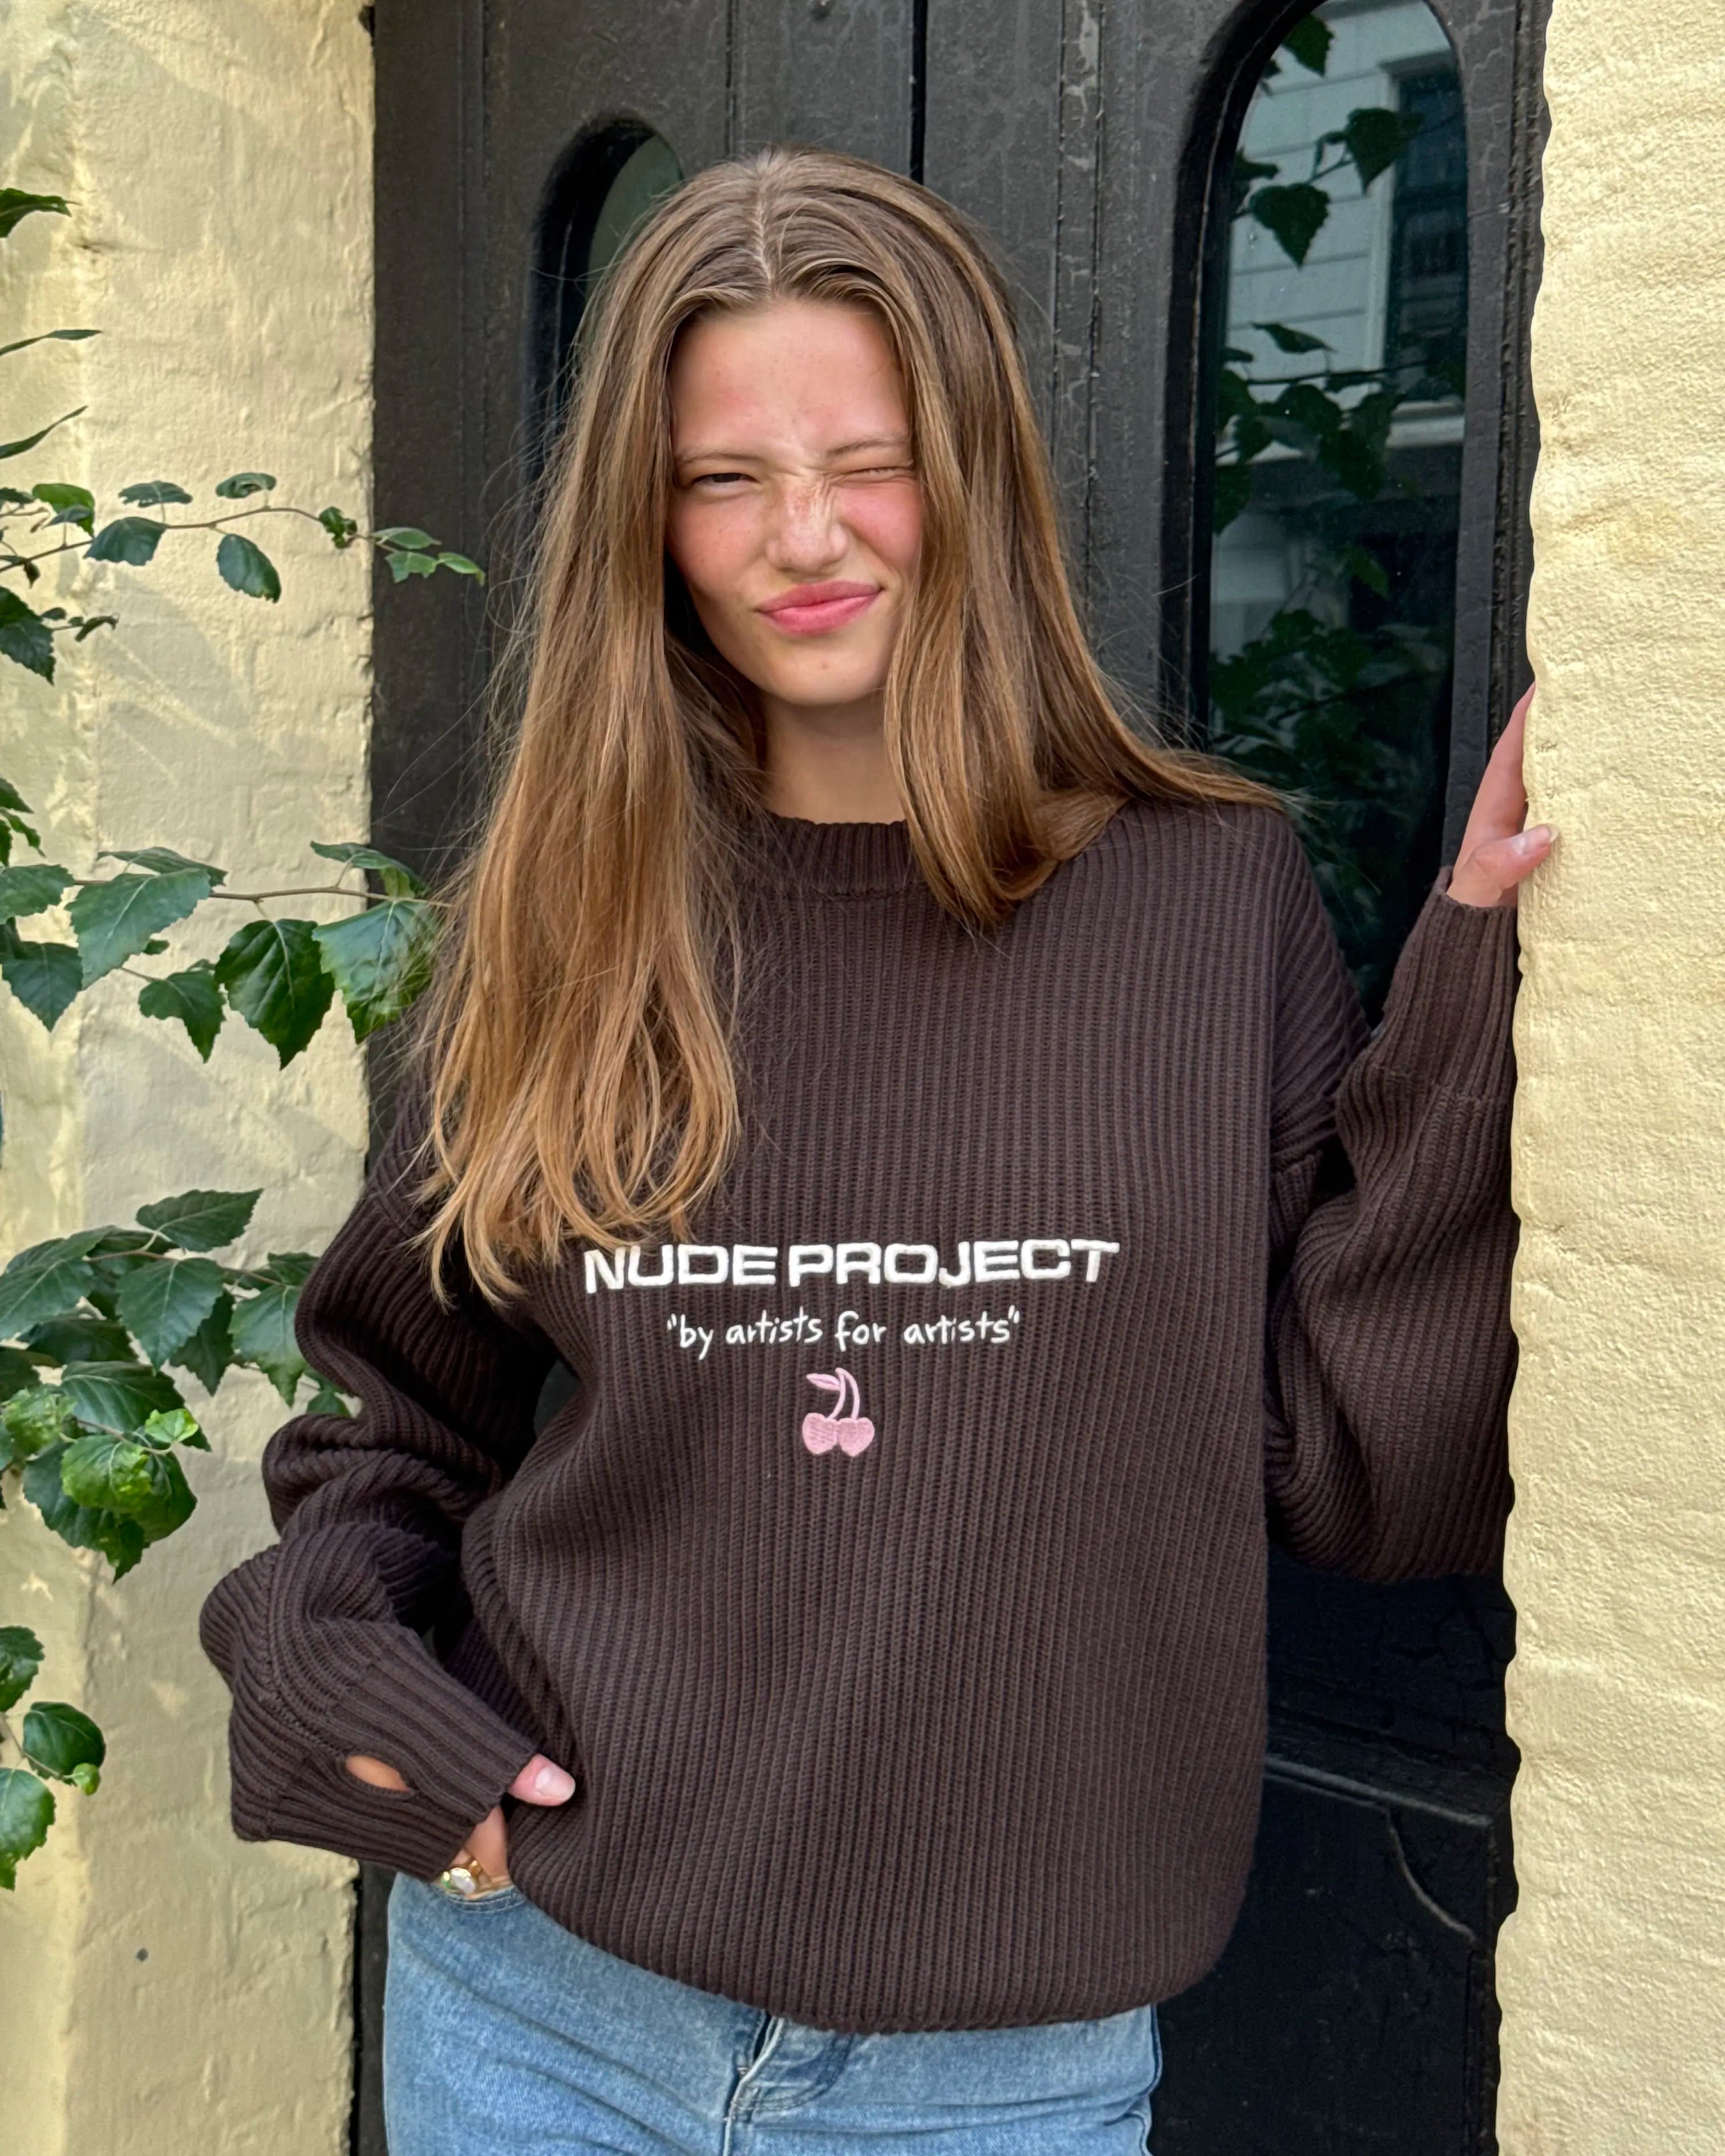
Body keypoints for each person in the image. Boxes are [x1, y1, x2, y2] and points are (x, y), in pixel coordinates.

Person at [198, 146, 1551, 2153]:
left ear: (974, 473)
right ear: (647, 524)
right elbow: (391, 1417)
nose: (804, 537)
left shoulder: (1204, 900)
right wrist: (350, 1695)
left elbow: (1362, 1470)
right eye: (723, 478)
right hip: (546, 2009)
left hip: (1004, 2077)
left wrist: (1480, 991)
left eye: (870, 462)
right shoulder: (570, 920)